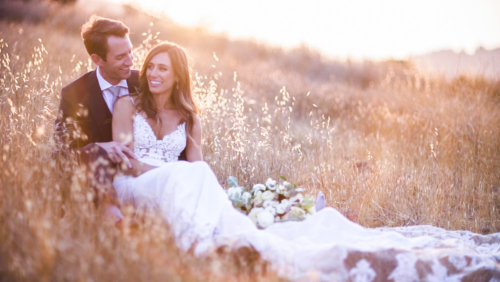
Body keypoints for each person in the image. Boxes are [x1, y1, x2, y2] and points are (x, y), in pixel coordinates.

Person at [112, 42, 500, 281]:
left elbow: (198, 165)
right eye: (151, 66)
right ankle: (193, 249)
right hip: (136, 182)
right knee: (187, 177)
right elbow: (125, 159)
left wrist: (208, 186)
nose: (154, 73)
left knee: (197, 177)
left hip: (179, 181)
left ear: (178, 75)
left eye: (163, 68)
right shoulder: (129, 105)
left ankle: (221, 239)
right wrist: (172, 172)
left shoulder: (190, 116)